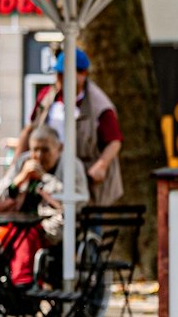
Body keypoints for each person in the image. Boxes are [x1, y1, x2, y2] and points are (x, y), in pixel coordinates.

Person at [0, 126, 84, 295]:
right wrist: (19, 180)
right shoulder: (23, 161)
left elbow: (76, 202)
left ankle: (23, 284)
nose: (39, 156)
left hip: (49, 227)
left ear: (59, 148)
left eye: (45, 150)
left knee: (25, 234)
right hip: (14, 223)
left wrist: (44, 178)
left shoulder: (72, 165)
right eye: (35, 150)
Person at [22, 48, 123, 207]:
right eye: (58, 73)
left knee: (84, 215)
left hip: (84, 176)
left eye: (64, 74)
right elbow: (30, 129)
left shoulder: (99, 104)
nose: (59, 78)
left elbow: (114, 140)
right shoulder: (47, 96)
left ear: (82, 74)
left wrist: (102, 165)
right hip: (49, 171)